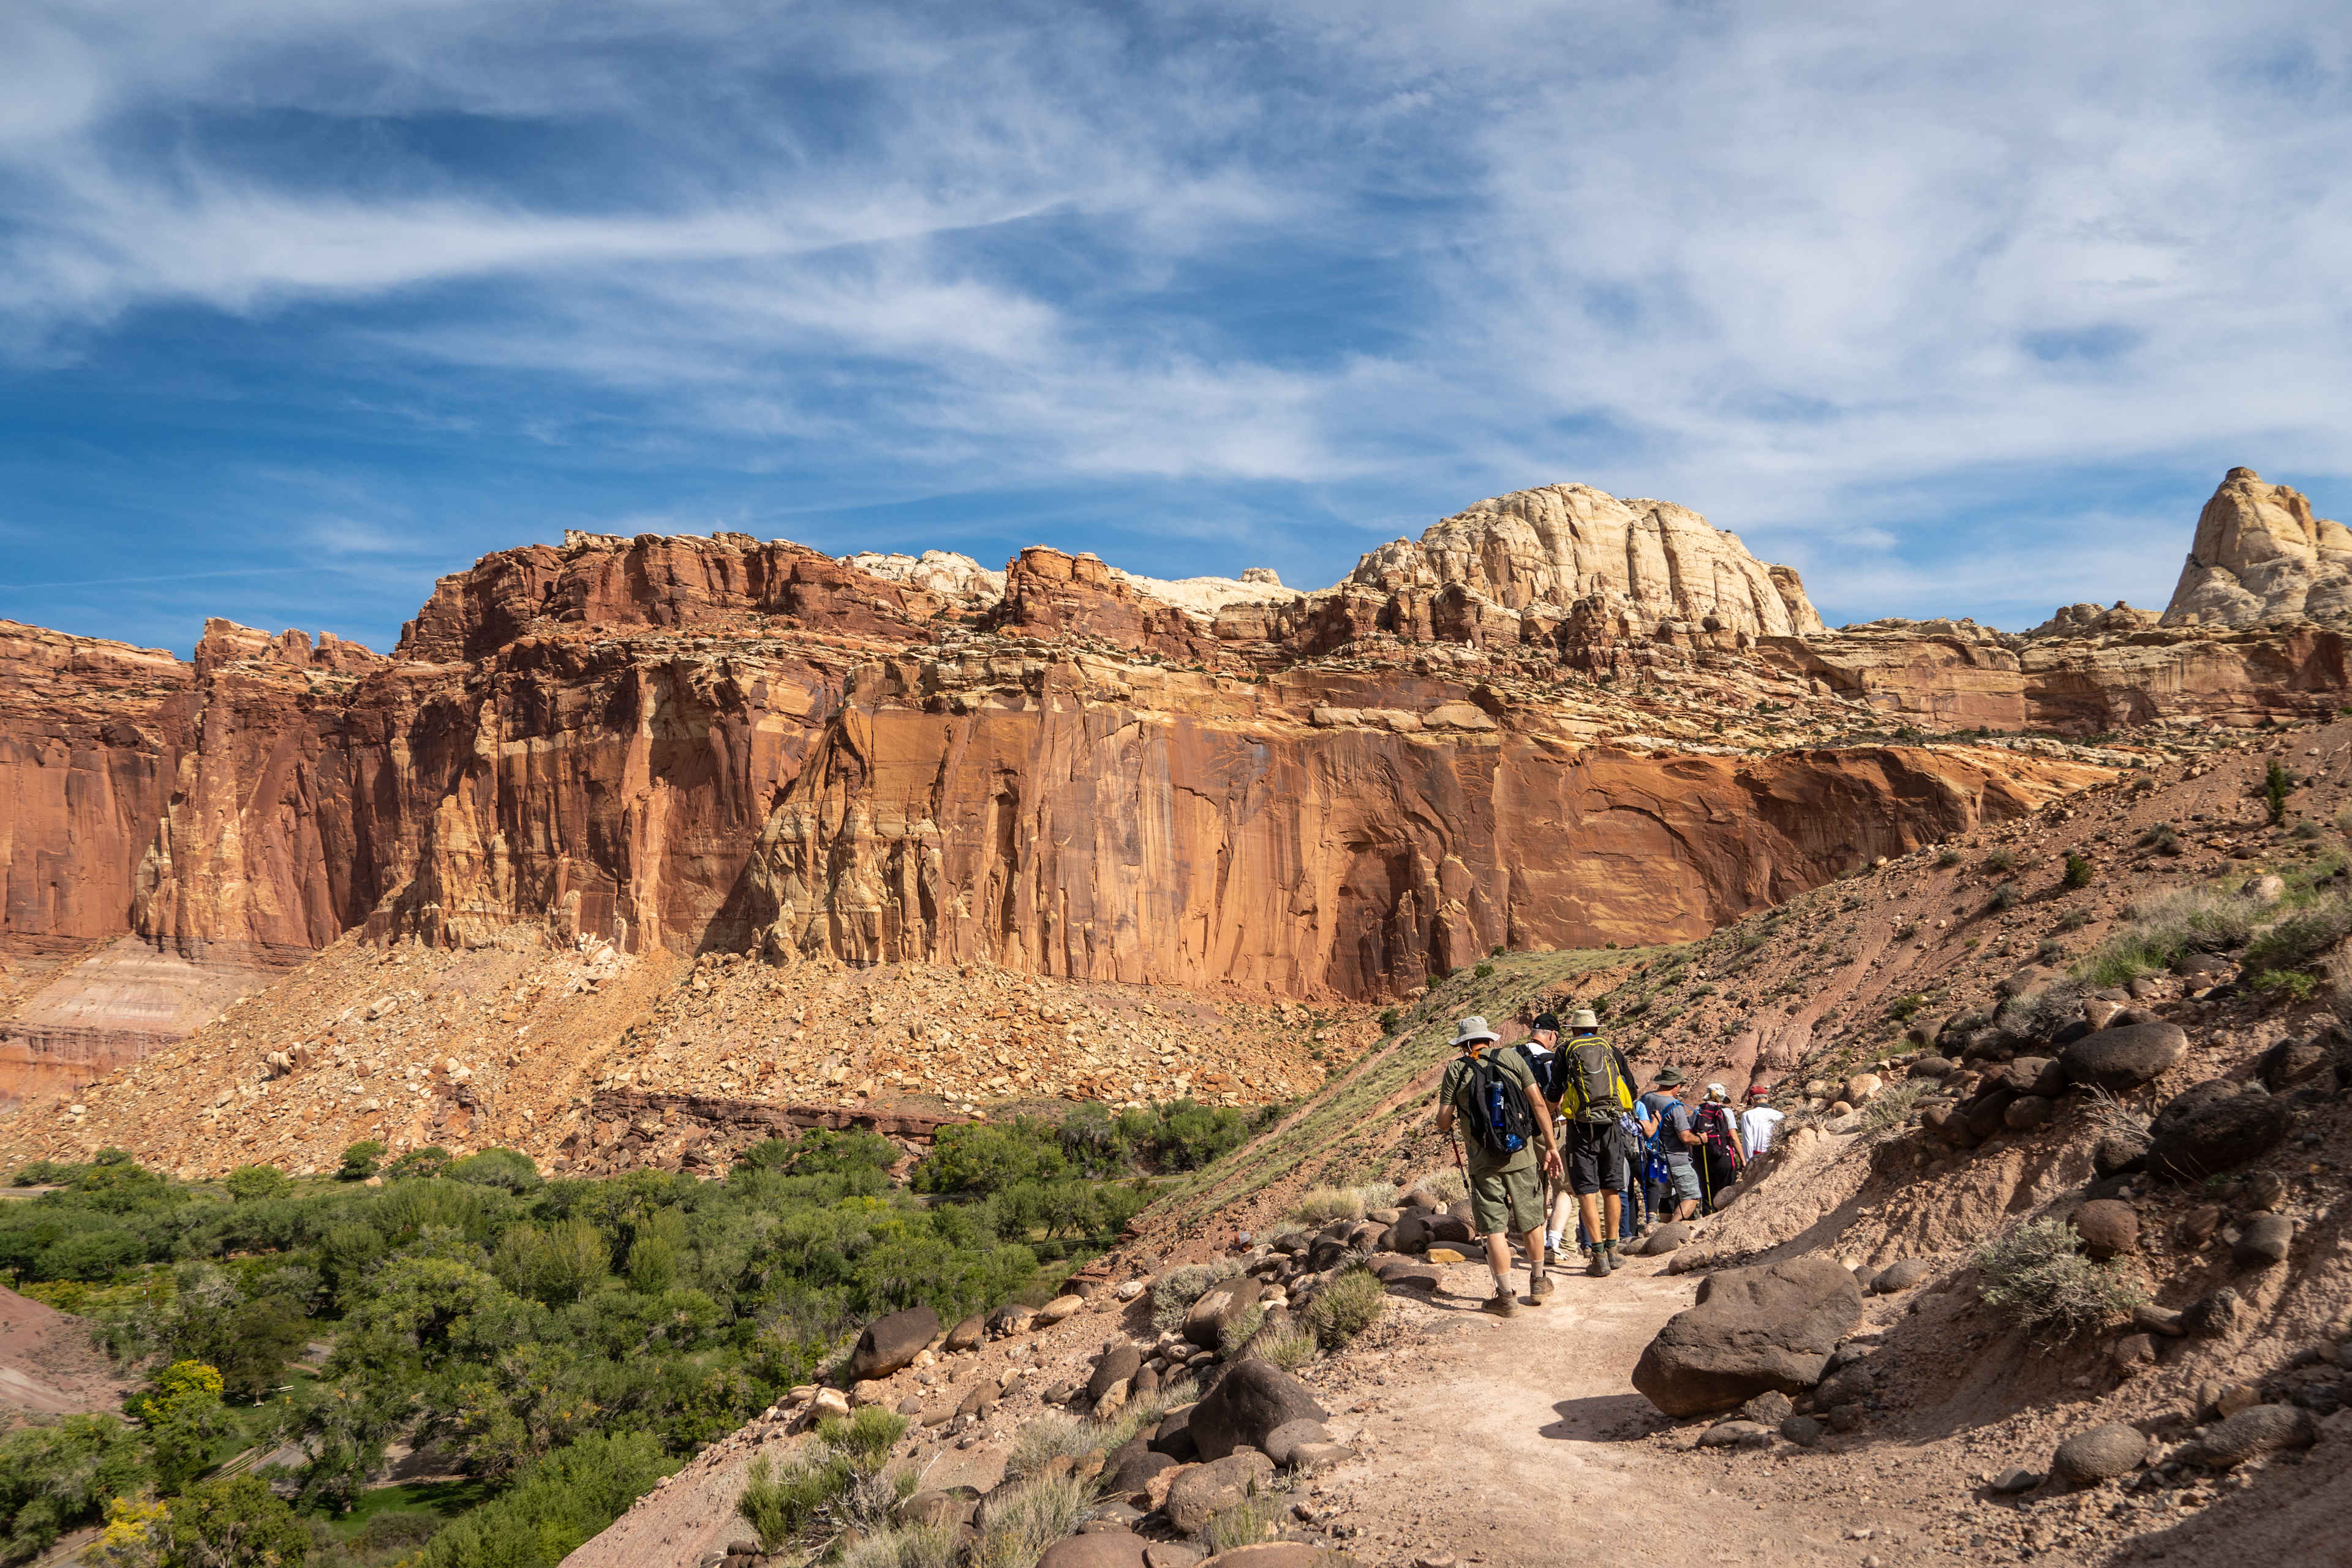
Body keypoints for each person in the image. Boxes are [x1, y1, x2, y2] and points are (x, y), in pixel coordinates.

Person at [1436, 1015, 1564, 1316]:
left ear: (1464, 1044)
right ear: (1489, 1039)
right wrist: (1552, 1146)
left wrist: (1453, 1117)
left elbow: (1443, 1121)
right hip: (1521, 1154)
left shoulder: (1457, 1069)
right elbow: (1537, 1104)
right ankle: (1538, 1281)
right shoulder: (1511, 1058)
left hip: (1483, 1160)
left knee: (1494, 1227)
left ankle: (1505, 1297)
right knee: (1532, 1219)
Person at [1552, 1008, 1640, 1277]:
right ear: (1597, 1030)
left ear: (1574, 1030)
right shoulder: (1612, 1050)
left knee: (1586, 1191)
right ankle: (1614, 1252)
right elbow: (1632, 1090)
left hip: (1581, 1129)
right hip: (1611, 1127)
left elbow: (1554, 1091)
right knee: (1612, 1188)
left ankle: (1598, 1255)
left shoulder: (1566, 1051)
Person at [1512, 1011, 1573, 1264]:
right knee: (1566, 1189)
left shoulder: (1512, 1056)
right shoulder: (1552, 1059)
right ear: (1552, 1035)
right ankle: (1554, 1242)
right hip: (1552, 1129)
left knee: (1536, 1189)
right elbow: (1555, 1098)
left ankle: (1533, 1245)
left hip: (1521, 1131)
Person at [1640, 1068, 1705, 1222]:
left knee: (1666, 1196)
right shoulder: (1675, 1106)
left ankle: (1662, 1228)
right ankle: (1672, 1228)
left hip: (1655, 1159)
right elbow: (1685, 1137)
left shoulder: (1646, 1098)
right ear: (1676, 1085)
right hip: (1676, 1159)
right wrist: (1701, 1139)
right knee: (1692, 1195)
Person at [1692, 1084, 1748, 1213]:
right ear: (1722, 1097)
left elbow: (1693, 1134)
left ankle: (1706, 1220)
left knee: (1707, 1192)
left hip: (1702, 1157)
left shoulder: (1698, 1110)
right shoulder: (1726, 1111)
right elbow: (1734, 1138)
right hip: (1722, 1156)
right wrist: (1743, 1160)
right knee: (1726, 1192)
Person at [1740, 1084, 1785, 1163]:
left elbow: (1748, 1142)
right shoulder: (1780, 1115)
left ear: (1752, 1100)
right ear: (1767, 1099)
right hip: (1775, 1158)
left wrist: (1749, 1162)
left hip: (1758, 1159)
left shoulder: (1747, 1115)